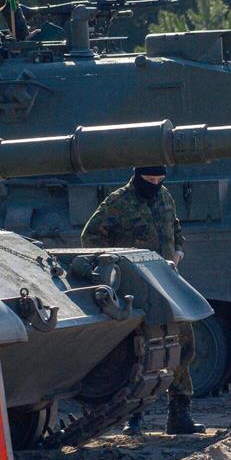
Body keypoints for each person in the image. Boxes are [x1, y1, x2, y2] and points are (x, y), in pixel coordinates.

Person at [80, 165, 204, 436]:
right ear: (137, 177)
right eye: (150, 180)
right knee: (137, 352)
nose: (155, 184)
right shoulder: (118, 202)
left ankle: (179, 414)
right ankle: (133, 417)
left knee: (183, 348)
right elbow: (90, 238)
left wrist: (178, 252)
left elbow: (176, 229)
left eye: (160, 179)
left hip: (168, 283)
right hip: (136, 289)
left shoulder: (165, 197)